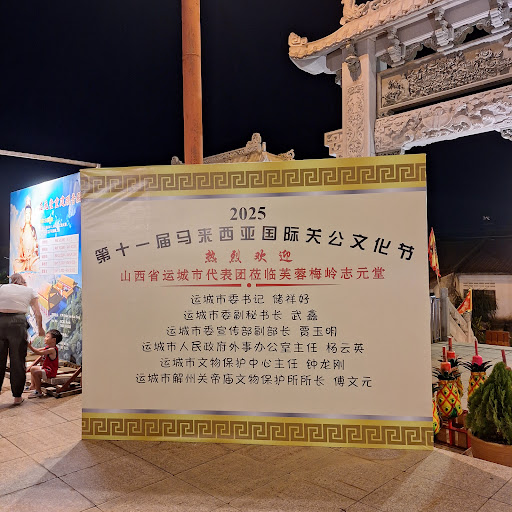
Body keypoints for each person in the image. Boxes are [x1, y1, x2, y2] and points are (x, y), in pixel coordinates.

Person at [0, 273, 44, 405]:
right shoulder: (29, 290)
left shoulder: (2, 287)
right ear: (23, 282)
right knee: (18, 360)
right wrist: (40, 329)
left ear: (12, 281)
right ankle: (17, 397)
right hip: (18, 323)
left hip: (0, 321)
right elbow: (38, 313)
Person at [27, 329, 62, 398]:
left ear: (53, 340)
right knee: (33, 368)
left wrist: (29, 346)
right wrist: (30, 347)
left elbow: (39, 352)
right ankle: (33, 386)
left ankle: (38, 392)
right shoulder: (48, 347)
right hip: (45, 368)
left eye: (47, 337)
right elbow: (37, 350)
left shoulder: (52, 350)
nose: (45, 338)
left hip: (50, 371)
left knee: (36, 373)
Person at [14, 196, 39, 272]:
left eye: (29, 213)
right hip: (24, 260)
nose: (28, 215)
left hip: (32, 259)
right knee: (16, 264)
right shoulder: (22, 230)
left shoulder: (33, 229)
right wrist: (22, 257)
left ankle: (31, 266)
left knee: (38, 264)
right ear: (24, 214)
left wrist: (33, 254)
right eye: (26, 213)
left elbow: (35, 245)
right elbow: (20, 246)